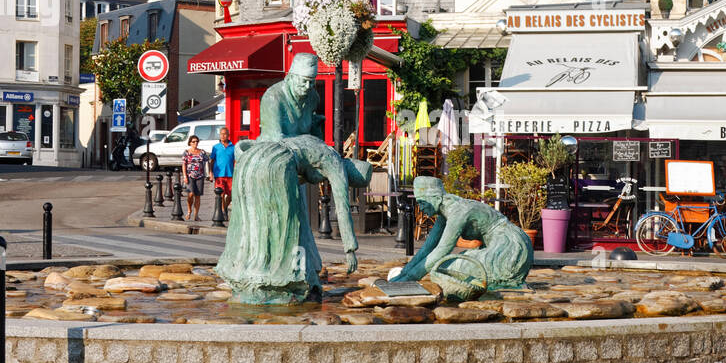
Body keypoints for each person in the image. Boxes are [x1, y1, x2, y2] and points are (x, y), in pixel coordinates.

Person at [216, 135, 372, 304]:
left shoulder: (318, 144)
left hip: (252, 160)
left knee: (251, 221)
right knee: (285, 226)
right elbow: (342, 207)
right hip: (278, 165)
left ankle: (245, 274)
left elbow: (256, 143)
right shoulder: (336, 164)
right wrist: (350, 250)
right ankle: (280, 284)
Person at [393, 176, 534, 301]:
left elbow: (442, 250)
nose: (421, 208)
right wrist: (403, 274)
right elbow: (428, 247)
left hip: (510, 247)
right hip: (497, 245)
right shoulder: (444, 214)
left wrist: (409, 279)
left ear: (435, 199)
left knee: (446, 267)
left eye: (422, 203)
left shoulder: (458, 211)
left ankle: (504, 284)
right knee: (443, 267)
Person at [181, 135, 211, 221]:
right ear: (190, 143)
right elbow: (184, 164)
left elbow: (208, 161)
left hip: (200, 176)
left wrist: (209, 173)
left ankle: (196, 215)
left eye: (197, 141)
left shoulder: (202, 152)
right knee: (190, 194)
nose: (195, 143)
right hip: (190, 176)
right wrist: (184, 176)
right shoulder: (186, 152)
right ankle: (189, 210)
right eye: (193, 141)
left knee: (198, 196)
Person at [210, 126, 237, 219]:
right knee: (220, 194)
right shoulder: (216, 147)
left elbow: (236, 161)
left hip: (230, 174)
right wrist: (210, 173)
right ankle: (222, 212)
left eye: (224, 134)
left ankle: (224, 207)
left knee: (231, 195)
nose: (222, 136)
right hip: (219, 175)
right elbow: (212, 161)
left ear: (228, 135)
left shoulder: (233, 147)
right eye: (221, 134)